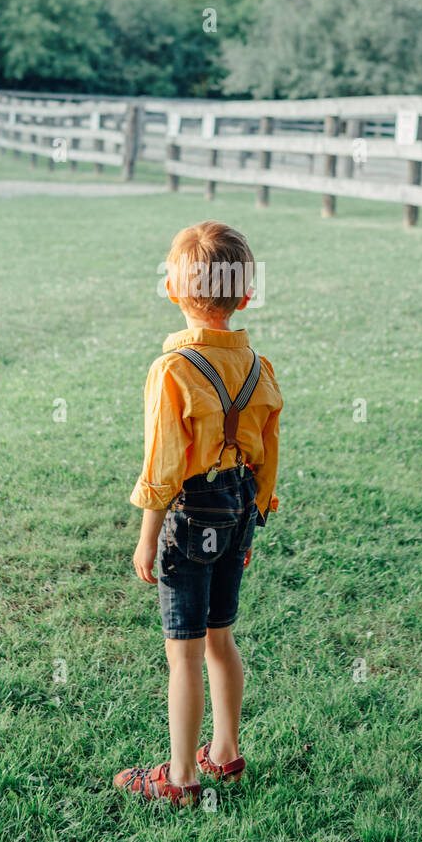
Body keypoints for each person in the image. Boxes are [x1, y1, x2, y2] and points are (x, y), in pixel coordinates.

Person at [115, 221, 283, 807]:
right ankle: (225, 751)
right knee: (220, 639)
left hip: (190, 521)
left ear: (172, 289)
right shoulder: (259, 368)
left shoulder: (173, 371)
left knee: (182, 652)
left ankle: (181, 777)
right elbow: (267, 457)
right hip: (237, 516)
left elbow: (163, 467)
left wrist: (145, 539)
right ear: (245, 295)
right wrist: (253, 519)